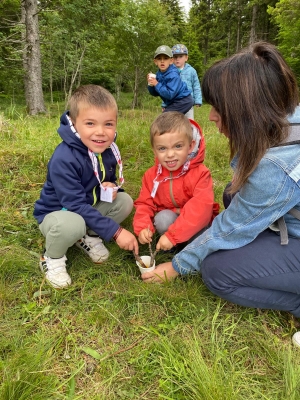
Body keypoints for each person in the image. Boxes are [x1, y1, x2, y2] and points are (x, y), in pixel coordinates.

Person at [141, 42, 300, 345]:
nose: (211, 116)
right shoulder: (288, 117)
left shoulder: (275, 168)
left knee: (217, 271)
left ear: (246, 111)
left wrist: (175, 266)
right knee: (232, 195)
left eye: (219, 108)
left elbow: (228, 230)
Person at [34, 84, 138, 289]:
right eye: (90, 123)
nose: (100, 132)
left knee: (124, 201)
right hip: (58, 214)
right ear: (73, 123)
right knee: (71, 224)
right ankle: (51, 258)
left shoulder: (106, 150)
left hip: (84, 208)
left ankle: (88, 237)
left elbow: (101, 179)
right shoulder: (64, 158)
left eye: (108, 124)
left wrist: (110, 185)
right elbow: (74, 204)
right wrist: (116, 232)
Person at [133, 111, 219, 251]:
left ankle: (187, 247)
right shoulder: (151, 176)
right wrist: (143, 227)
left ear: (190, 146)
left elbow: (200, 209)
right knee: (162, 219)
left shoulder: (201, 174)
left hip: (197, 223)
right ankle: (174, 248)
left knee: (203, 237)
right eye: (162, 148)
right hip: (172, 219)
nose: (170, 154)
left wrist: (173, 236)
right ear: (154, 151)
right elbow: (144, 203)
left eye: (178, 146)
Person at [147, 45, 194, 114]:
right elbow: (155, 93)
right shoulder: (159, 74)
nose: (162, 61)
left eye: (165, 58)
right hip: (174, 102)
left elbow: (169, 94)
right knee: (172, 121)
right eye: (159, 59)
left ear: (171, 61)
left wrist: (156, 84)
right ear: (155, 61)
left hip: (183, 100)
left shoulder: (173, 75)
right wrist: (151, 84)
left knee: (165, 118)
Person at [171, 44, 202, 120]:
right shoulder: (170, 72)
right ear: (171, 59)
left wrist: (198, 100)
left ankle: (190, 131)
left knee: (189, 122)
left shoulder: (191, 71)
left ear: (186, 58)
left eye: (180, 56)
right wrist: (164, 104)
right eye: (175, 57)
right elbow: (167, 88)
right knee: (174, 122)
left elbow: (196, 86)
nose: (177, 59)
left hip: (188, 101)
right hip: (174, 102)